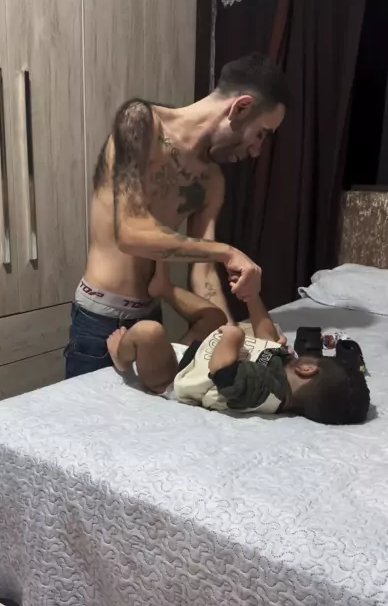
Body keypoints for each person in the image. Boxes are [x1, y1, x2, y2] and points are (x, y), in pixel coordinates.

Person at [65, 53, 290, 379]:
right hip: (99, 320)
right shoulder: (141, 124)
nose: (256, 151)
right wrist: (227, 252)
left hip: (150, 320)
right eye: (261, 134)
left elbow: (203, 272)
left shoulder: (211, 181)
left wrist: (233, 341)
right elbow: (130, 233)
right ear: (240, 108)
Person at [107, 265, 370, 426]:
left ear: (307, 368)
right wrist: (251, 297)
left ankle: (121, 356)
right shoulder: (280, 373)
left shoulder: (262, 389)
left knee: (149, 332)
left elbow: (222, 371)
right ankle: (163, 287)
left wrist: (233, 336)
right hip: (192, 355)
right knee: (213, 317)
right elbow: (266, 338)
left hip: (172, 377)